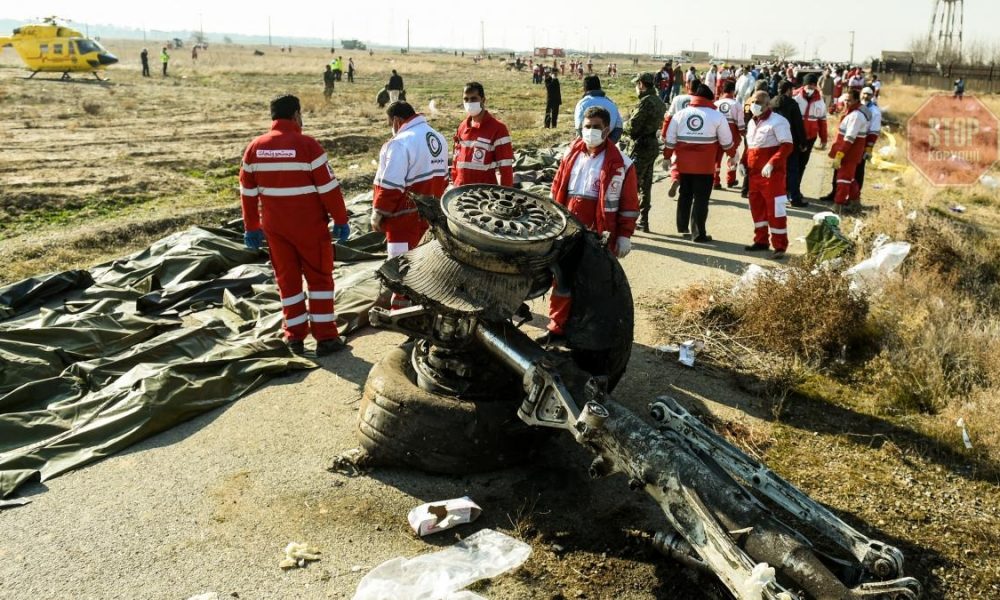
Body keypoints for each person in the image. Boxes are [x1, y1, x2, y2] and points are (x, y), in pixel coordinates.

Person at [239, 94, 350, 355]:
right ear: (296, 115)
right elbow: (329, 189)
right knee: (320, 280)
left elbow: (247, 192)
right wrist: (341, 219)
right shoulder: (307, 146)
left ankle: (294, 337)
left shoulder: (255, 148)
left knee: (287, 282)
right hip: (310, 227)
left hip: (276, 230)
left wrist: (251, 226)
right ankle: (326, 338)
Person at [540, 105, 639, 345]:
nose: (591, 131)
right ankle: (557, 328)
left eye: (596, 127)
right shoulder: (570, 155)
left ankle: (587, 336)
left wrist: (625, 235)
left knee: (594, 284)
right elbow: (557, 189)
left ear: (607, 130)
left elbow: (628, 203)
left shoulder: (622, 164)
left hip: (598, 232)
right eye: (587, 126)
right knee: (562, 280)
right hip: (567, 226)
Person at [372, 101, 449, 308]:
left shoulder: (399, 143)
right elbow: (444, 178)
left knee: (401, 269)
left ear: (396, 121)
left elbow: (391, 185)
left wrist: (378, 213)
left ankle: (403, 313)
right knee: (424, 266)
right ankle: (426, 308)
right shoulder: (438, 138)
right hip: (429, 214)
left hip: (402, 220)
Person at [662, 84, 736, 243]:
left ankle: (682, 227)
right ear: (710, 99)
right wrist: (732, 155)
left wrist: (667, 157)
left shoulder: (680, 114)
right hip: (705, 166)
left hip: (684, 165)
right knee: (701, 199)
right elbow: (726, 141)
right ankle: (698, 234)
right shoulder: (717, 116)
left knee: (685, 194)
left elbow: (670, 140)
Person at [741, 90, 793, 259]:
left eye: (758, 102)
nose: (754, 105)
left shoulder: (778, 122)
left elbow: (787, 146)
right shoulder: (751, 123)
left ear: (767, 104)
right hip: (754, 175)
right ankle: (761, 241)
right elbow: (750, 146)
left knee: (775, 210)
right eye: (753, 102)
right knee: (757, 209)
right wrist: (742, 162)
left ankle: (780, 245)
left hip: (773, 176)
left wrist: (772, 163)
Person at [623, 72, 667, 232]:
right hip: (652, 145)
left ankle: (628, 221)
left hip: (639, 146)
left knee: (630, 185)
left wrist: (625, 125)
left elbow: (633, 127)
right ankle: (644, 220)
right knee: (646, 185)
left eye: (637, 84)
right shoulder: (659, 102)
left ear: (641, 84)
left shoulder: (645, 103)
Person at [451, 82, 515, 187]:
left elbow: (506, 169)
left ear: (483, 100)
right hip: (460, 192)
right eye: (466, 99)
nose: (469, 103)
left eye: (473, 99)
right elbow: (455, 161)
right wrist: (454, 187)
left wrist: (506, 196)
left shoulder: (498, 129)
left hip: (484, 195)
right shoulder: (462, 127)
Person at [827, 89, 869, 214]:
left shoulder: (856, 116)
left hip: (849, 154)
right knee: (849, 179)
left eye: (849, 100)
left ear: (856, 100)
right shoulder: (852, 113)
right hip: (849, 153)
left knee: (843, 180)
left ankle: (838, 206)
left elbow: (849, 138)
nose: (846, 102)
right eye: (845, 100)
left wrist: (840, 154)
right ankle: (855, 203)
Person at [770, 81, 809, 207]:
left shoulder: (771, 102)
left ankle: (775, 196)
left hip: (774, 141)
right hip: (790, 142)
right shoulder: (792, 104)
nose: (792, 92)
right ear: (787, 90)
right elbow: (798, 125)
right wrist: (803, 142)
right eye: (791, 89)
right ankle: (794, 198)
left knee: (775, 170)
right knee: (792, 170)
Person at [792, 74, 828, 202]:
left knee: (802, 164)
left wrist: (824, 139)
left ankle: (795, 189)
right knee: (792, 164)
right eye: (809, 85)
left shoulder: (820, 100)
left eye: (813, 85)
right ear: (804, 85)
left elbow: (822, 121)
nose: (811, 87)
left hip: (810, 138)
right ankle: (788, 189)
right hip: (794, 136)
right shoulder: (795, 96)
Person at [714, 80, 745, 189]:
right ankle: (730, 180)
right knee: (732, 157)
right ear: (733, 90)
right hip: (732, 135)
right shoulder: (736, 104)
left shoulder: (716, 103)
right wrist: (743, 133)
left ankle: (715, 181)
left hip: (717, 135)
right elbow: (740, 123)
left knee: (716, 158)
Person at [573, 75, 624, 143]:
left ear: (584, 89)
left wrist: (589, 145)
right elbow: (619, 127)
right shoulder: (611, 103)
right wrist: (609, 145)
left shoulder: (582, 104)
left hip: (587, 145)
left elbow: (579, 128)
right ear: (600, 87)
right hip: (608, 143)